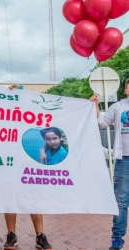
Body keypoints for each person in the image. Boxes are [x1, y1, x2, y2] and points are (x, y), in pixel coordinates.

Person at [4, 85, 52, 250]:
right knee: (10, 199)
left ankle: (40, 236)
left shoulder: (33, 116)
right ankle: (11, 235)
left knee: (34, 199)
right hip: (11, 163)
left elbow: (48, 131)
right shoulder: (5, 116)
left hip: (30, 163)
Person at [90, 78, 129, 250]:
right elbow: (101, 123)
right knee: (120, 202)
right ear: (126, 90)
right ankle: (117, 239)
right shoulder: (118, 107)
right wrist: (95, 105)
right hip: (123, 160)